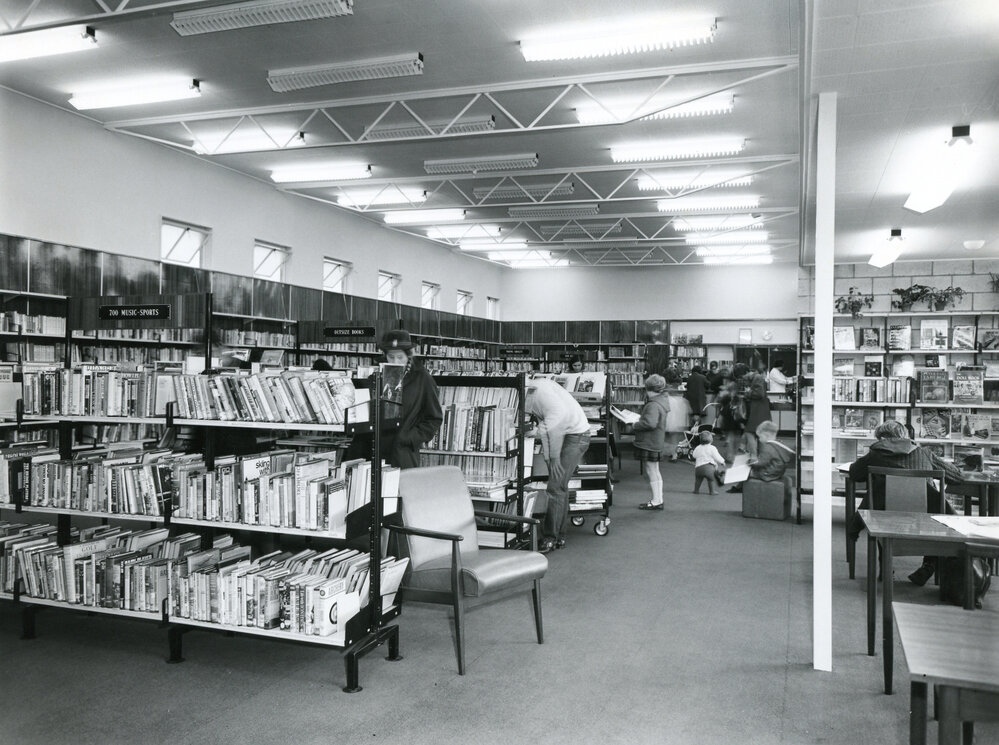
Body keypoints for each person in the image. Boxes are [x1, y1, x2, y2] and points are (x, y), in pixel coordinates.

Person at [848, 419, 965, 586]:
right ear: (904, 436)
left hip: (886, 520)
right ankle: (929, 565)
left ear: (882, 438)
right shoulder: (925, 453)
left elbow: (854, 473)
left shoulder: (874, 455)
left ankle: (886, 566)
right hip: (926, 519)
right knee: (931, 511)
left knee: (882, 510)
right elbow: (957, 477)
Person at [525, 377, 591, 552]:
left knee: (555, 487)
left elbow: (553, 427)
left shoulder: (540, 395)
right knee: (560, 486)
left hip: (575, 436)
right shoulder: (536, 388)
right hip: (569, 433)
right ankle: (559, 536)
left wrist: (552, 458)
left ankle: (549, 537)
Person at [377, 329, 444, 470]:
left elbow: (434, 419)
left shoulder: (422, 378)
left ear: (409, 356)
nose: (395, 361)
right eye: (391, 357)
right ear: (385, 356)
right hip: (375, 452)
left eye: (400, 357)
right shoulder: (376, 377)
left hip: (403, 454)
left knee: (402, 491)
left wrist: (407, 438)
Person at [632, 374, 670, 511]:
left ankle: (656, 501)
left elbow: (650, 423)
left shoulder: (653, 404)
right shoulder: (662, 401)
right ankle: (658, 499)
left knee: (651, 470)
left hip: (649, 441)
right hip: (656, 439)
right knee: (655, 470)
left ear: (649, 389)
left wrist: (635, 424)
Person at [691, 431, 725, 495]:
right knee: (711, 480)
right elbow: (717, 456)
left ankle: (696, 490)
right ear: (711, 440)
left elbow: (694, 455)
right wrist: (722, 461)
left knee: (698, 480)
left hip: (699, 468)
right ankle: (712, 491)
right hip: (709, 467)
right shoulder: (712, 448)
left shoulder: (698, 447)